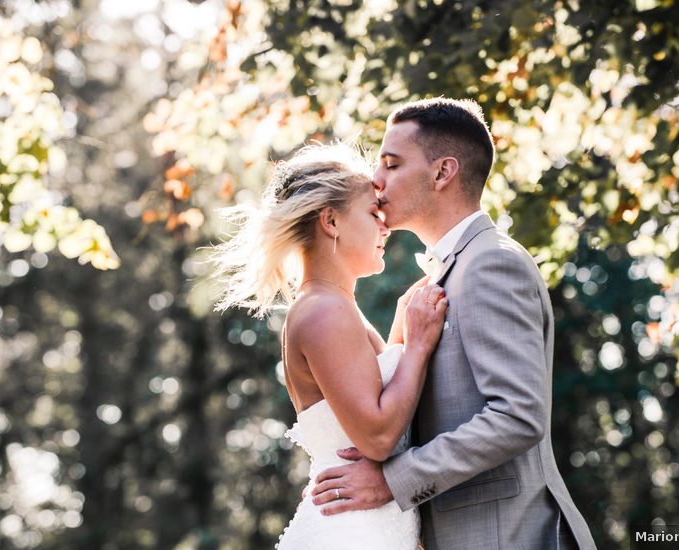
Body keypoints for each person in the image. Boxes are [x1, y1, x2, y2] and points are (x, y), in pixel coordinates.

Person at [309, 98, 597, 550]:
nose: (376, 181)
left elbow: (517, 416)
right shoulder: (447, 275)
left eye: (391, 164)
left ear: (443, 173)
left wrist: (394, 482)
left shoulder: (489, 265)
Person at [212, 142, 447, 549]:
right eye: (374, 213)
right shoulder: (324, 311)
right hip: (351, 533)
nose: (386, 226)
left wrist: (402, 324)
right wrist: (417, 348)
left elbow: (371, 394)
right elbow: (377, 439)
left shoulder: (334, 305)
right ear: (331, 221)